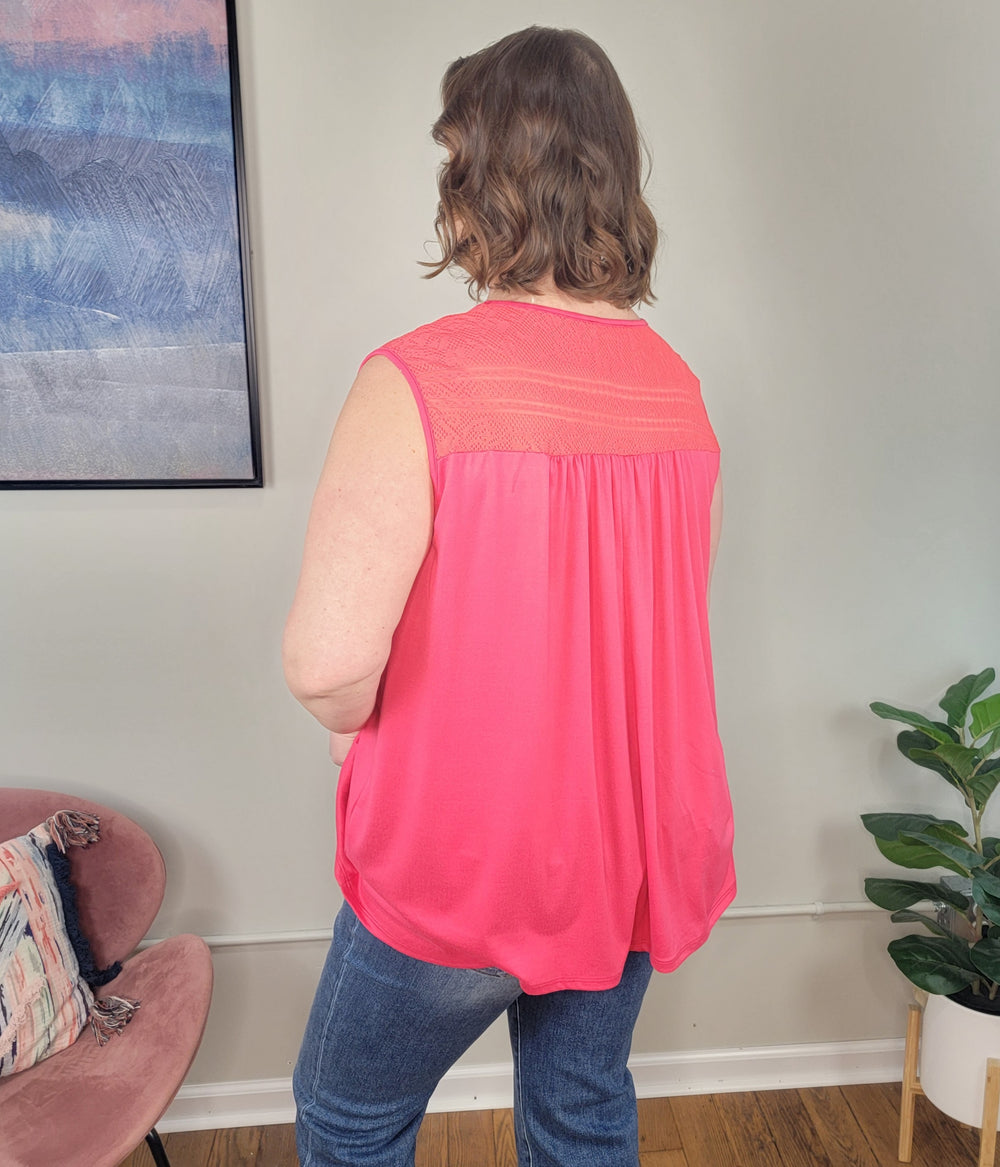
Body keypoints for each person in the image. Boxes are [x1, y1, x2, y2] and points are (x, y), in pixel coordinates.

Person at [283, 25, 735, 1167]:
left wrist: (353, 732)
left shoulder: (417, 380)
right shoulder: (674, 386)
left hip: (468, 852)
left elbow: (329, 664)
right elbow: (664, 623)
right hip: (621, 845)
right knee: (580, 1112)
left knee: (350, 1118)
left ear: (481, 178)